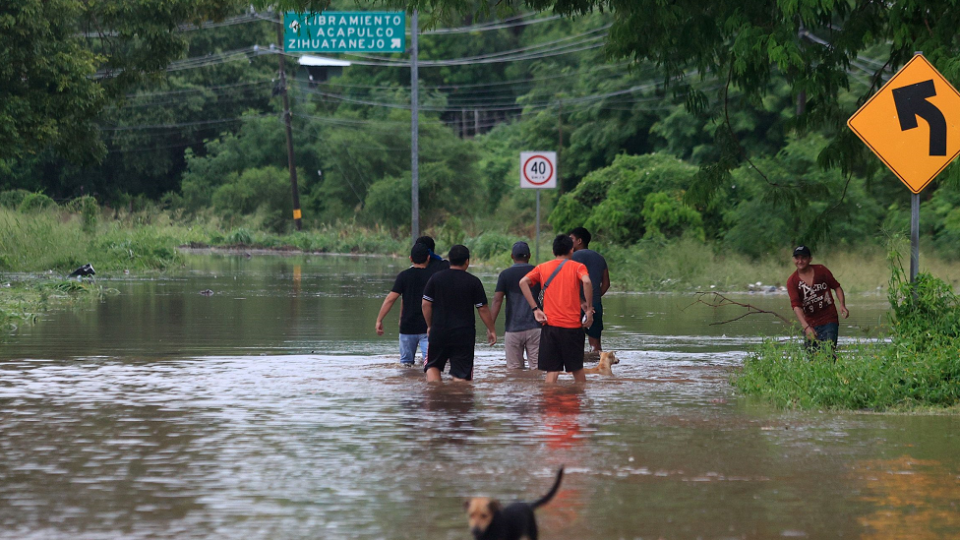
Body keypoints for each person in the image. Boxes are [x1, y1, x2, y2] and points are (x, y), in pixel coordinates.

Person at [519, 235, 594, 384]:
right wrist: (589, 310)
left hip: (550, 326)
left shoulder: (542, 267)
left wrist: (535, 309)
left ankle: (548, 405)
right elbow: (586, 281)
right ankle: (582, 404)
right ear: (571, 250)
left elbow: (523, 282)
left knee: (552, 372)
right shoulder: (578, 267)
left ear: (553, 252)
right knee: (577, 370)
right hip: (572, 328)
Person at [421, 245, 497, 382]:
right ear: (467, 261)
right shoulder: (473, 282)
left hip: (439, 331)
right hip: (463, 334)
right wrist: (491, 329)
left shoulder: (436, 278)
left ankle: (434, 398)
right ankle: (459, 401)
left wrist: (430, 326)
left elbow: (426, 304)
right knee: (461, 373)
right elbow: (483, 308)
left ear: (450, 260)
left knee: (433, 366)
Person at [375, 243, 432, 366]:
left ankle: (405, 385)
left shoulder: (404, 276)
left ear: (410, 258)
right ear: (428, 258)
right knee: (431, 364)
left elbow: (391, 299)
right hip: (428, 327)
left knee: (406, 365)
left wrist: (379, 320)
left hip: (407, 327)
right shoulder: (433, 277)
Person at [786, 245, 849, 353]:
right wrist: (806, 327)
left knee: (828, 353)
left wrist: (842, 305)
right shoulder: (792, 281)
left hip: (829, 319)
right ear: (793, 260)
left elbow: (836, 286)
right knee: (812, 357)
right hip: (809, 322)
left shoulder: (821, 271)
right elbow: (796, 306)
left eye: (803, 258)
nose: (800, 261)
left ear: (810, 259)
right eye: (797, 258)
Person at [491, 241, 541, 370]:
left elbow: (497, 300)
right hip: (536, 327)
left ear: (512, 256)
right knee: (538, 368)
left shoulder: (505, 275)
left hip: (513, 329)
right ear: (529, 256)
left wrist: (490, 327)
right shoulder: (537, 272)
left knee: (514, 370)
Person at [569, 227, 609, 352]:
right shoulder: (600, 258)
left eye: (571, 239)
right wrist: (593, 299)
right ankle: (596, 370)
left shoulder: (570, 258)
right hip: (594, 305)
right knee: (595, 346)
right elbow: (606, 283)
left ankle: (577, 370)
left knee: (574, 345)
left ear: (579, 241)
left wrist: (582, 302)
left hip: (574, 305)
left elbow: (568, 284)